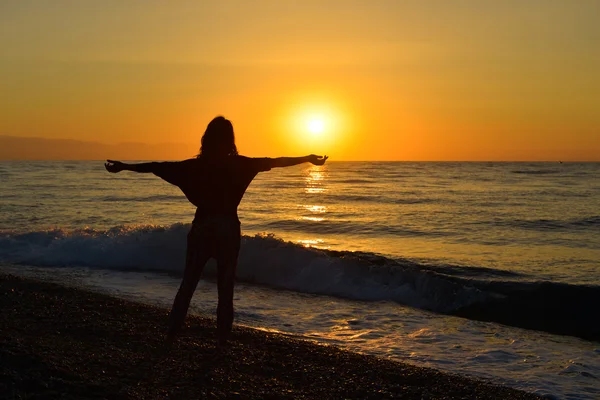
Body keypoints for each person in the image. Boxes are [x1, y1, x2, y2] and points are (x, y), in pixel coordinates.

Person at [105, 116, 328, 346]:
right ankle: (221, 342)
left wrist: (124, 167)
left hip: (202, 227)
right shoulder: (242, 165)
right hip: (228, 230)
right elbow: (277, 161)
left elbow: (156, 167)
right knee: (225, 288)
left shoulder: (193, 167)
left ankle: (171, 336)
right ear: (231, 140)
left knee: (188, 284)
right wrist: (307, 159)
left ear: (206, 139)